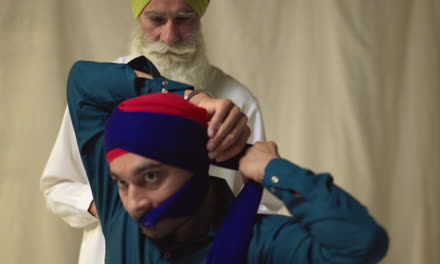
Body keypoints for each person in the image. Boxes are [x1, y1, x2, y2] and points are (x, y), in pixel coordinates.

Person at [66, 59, 389, 263]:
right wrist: (191, 98)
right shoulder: (120, 214)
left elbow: (359, 245)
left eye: (151, 177)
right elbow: (84, 82)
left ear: (195, 165)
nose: (134, 202)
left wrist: (270, 169)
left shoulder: (260, 242)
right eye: (121, 182)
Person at [40, 1, 283, 263]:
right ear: (138, 19)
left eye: (183, 19)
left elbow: (263, 204)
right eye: (156, 20)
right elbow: (58, 185)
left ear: (200, 19)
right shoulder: (100, 94)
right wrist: (116, 209)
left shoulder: (236, 100)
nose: (169, 36)